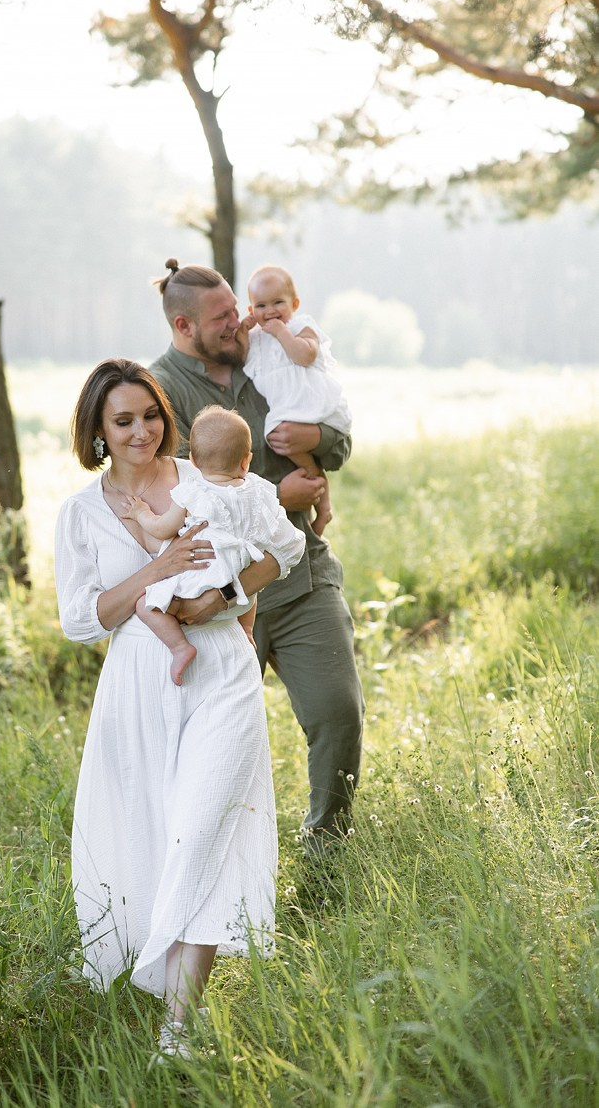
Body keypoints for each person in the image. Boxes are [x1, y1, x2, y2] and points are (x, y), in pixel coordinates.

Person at [54, 359, 306, 1061]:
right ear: (98, 431)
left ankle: (178, 1028)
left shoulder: (207, 477)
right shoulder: (81, 512)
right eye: (123, 421)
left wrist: (220, 596)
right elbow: (81, 619)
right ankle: (154, 983)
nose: (141, 431)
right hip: (141, 676)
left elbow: (279, 553)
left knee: (203, 830)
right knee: (151, 835)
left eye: (150, 416)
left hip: (222, 665)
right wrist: (155, 573)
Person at [148, 260, 365, 860]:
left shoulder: (269, 352)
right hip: (218, 594)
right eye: (223, 317)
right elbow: (180, 489)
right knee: (206, 741)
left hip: (300, 576)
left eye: (237, 309)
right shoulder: (159, 391)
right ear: (185, 326)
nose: (241, 322)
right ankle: (206, 860)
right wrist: (278, 495)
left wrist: (317, 441)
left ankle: (327, 852)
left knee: (338, 712)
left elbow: (338, 436)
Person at [121, 404, 306, 685]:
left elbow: (163, 528)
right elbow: (275, 535)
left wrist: (140, 513)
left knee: (145, 604)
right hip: (240, 583)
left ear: (193, 461)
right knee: (248, 572)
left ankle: (179, 647)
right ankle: (246, 631)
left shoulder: (193, 491)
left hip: (202, 579)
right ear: (246, 461)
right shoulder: (258, 490)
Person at [243, 264, 353, 535]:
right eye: (261, 306)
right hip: (286, 407)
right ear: (251, 310)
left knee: (284, 437)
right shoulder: (256, 338)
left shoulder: (300, 326)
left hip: (310, 401)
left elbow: (305, 356)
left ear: (294, 304)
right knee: (277, 437)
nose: (270, 311)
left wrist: (282, 332)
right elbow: (241, 357)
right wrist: (242, 331)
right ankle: (323, 503)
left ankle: (322, 503)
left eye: (278, 303)